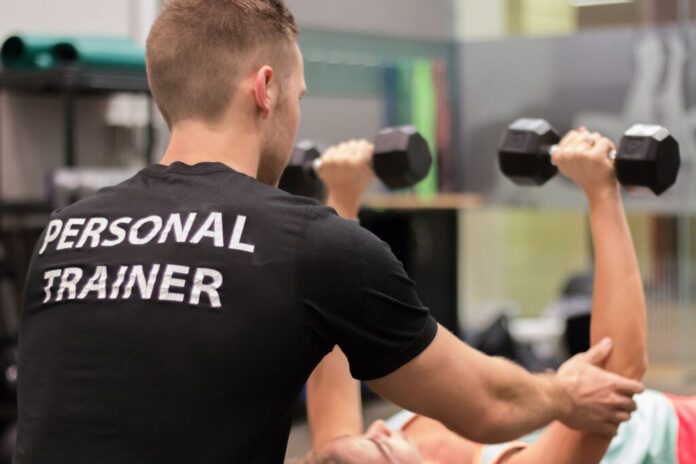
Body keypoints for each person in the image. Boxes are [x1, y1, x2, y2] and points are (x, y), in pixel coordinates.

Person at [14, 1, 643, 463]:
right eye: (299, 95)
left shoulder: (65, 234)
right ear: (265, 89)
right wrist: (564, 393)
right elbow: (490, 404)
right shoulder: (308, 245)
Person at [299, 129, 696, 464]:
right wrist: (602, 191)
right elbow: (618, 374)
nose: (380, 426)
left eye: (369, 434)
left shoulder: (346, 452)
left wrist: (342, 194)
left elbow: (338, 308)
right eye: (381, 446)